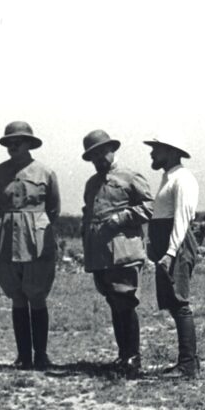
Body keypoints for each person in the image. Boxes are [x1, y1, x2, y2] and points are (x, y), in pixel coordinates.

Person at [0, 121, 61, 371]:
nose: (12, 146)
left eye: (18, 141)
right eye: (8, 142)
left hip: (37, 240)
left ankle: (41, 355)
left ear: (29, 143)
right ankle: (23, 356)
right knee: (16, 296)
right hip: (7, 240)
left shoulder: (45, 172)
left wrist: (34, 225)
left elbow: (54, 209)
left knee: (36, 295)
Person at [79, 130, 154, 379]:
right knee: (113, 302)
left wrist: (122, 217)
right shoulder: (91, 184)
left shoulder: (130, 176)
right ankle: (123, 355)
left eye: (102, 151)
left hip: (124, 250)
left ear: (112, 149)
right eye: (93, 155)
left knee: (126, 302)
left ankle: (133, 357)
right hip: (100, 254)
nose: (99, 158)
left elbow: (149, 206)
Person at [144, 132, 200, 379]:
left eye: (157, 149)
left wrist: (169, 252)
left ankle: (188, 365)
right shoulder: (168, 178)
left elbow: (181, 219)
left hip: (175, 245)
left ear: (171, 151)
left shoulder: (183, 178)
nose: (152, 153)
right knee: (172, 303)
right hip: (165, 245)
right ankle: (187, 362)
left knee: (179, 303)